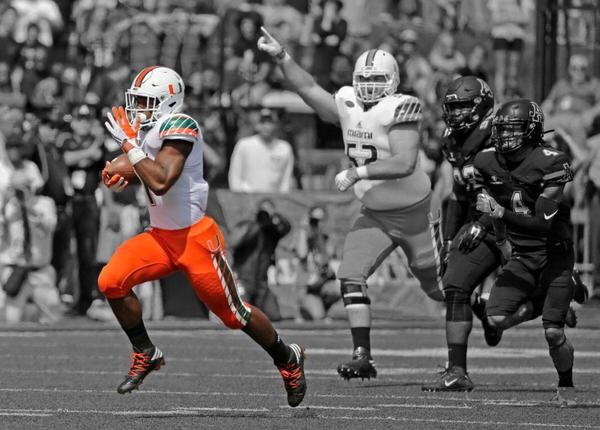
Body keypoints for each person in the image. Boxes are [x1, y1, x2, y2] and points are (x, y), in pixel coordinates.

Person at [98, 66, 306, 407]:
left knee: (233, 315)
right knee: (111, 281)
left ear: (169, 101)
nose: (139, 109)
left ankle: (287, 357)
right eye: (136, 101)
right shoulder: (149, 134)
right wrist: (124, 173)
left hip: (194, 238)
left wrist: (129, 149)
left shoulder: (182, 124)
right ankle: (145, 351)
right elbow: (147, 170)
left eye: (146, 102)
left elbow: (164, 178)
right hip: (160, 237)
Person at [258, 29, 443, 380]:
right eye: (364, 79)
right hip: (374, 213)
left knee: (438, 288)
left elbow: (404, 162)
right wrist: (283, 57)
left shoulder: (400, 107)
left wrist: (359, 173)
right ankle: (363, 355)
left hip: (415, 211)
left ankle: (479, 309)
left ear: (393, 81)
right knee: (350, 275)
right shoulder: (347, 102)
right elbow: (309, 89)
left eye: (377, 80)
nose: (370, 86)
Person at [473, 99, 576, 395]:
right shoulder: (486, 161)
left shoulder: (551, 161)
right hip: (523, 253)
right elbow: (500, 200)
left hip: (554, 251)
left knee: (554, 332)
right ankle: (545, 302)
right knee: (494, 319)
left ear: (531, 130)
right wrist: (503, 239)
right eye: (501, 130)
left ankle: (566, 383)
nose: (505, 136)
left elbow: (542, 223)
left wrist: (499, 215)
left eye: (513, 130)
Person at [421, 75, 501, 392]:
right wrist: (449, 239)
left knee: (527, 305)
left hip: (517, 221)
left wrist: (488, 220)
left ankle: (495, 315)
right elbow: (457, 193)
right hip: (480, 218)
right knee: (455, 285)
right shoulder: (453, 140)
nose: (455, 114)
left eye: (463, 106)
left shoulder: (501, 134)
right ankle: (457, 370)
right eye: (451, 107)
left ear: (482, 106)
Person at [230, 198, 291, 321]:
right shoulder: (247, 226)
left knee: (274, 316)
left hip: (262, 284)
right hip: (243, 281)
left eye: (268, 211)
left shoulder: (272, 233)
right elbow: (234, 242)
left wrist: (275, 217)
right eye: (263, 210)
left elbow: (287, 227)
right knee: (240, 316)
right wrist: (256, 223)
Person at [228, 107, 295, 193]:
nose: (266, 126)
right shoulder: (243, 145)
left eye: (270, 122)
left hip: (274, 200)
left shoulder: (285, 148)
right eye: (263, 122)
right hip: (247, 198)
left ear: (276, 125)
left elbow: (286, 181)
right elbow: (235, 177)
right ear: (257, 125)